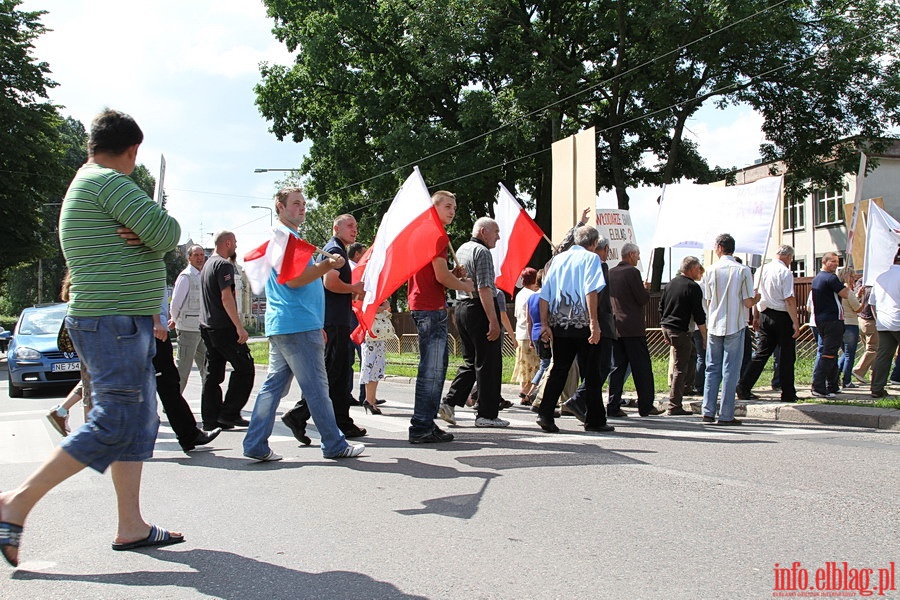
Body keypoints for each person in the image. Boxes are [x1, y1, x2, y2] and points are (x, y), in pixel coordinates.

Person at [0, 109, 182, 567]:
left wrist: (147, 237)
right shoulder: (108, 182)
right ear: (132, 150)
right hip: (112, 320)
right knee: (115, 421)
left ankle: (131, 526)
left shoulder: (86, 181)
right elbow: (168, 232)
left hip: (116, 319)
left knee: (138, 423)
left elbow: (156, 237)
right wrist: (152, 234)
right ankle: (16, 502)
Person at [243, 188, 364, 461]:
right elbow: (294, 279)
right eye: (296, 204)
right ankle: (334, 444)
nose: (302, 208)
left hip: (289, 322)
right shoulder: (284, 238)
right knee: (318, 388)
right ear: (280, 206)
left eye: (304, 204)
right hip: (297, 323)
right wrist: (328, 265)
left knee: (274, 387)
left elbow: (293, 279)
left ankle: (255, 443)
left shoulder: (285, 238)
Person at [281, 215, 368, 441]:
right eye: (350, 226)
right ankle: (299, 414)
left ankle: (341, 422)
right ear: (336, 228)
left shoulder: (337, 248)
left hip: (337, 321)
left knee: (338, 373)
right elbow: (330, 283)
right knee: (330, 374)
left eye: (355, 226)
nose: (354, 230)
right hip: (331, 322)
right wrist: (353, 287)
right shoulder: (334, 251)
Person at [406, 191, 474, 443]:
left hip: (422, 303)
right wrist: (466, 285)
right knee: (432, 371)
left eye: (454, 207)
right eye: (447, 206)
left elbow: (436, 273)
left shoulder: (422, 232)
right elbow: (441, 277)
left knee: (434, 368)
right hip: (430, 307)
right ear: (433, 207)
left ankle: (426, 423)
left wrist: (451, 273)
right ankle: (421, 426)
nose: (452, 211)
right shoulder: (437, 235)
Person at [535, 225, 612, 433]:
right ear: (594, 243)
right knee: (592, 372)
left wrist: (544, 324)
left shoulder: (557, 260)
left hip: (559, 323)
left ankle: (545, 413)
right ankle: (595, 420)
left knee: (559, 369)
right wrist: (594, 323)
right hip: (582, 323)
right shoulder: (592, 259)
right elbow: (590, 290)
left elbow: (544, 295)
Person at [438, 217, 509, 428]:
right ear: (483, 232)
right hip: (479, 308)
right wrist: (493, 321)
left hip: (461, 309)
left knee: (471, 361)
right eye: (495, 231)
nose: (498, 236)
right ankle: (487, 414)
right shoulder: (483, 252)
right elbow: (485, 288)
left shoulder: (462, 249)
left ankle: (449, 402)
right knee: (489, 363)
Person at [199, 231, 254, 430]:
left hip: (207, 326)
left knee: (213, 374)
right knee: (245, 367)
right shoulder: (223, 265)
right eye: (235, 243)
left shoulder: (206, 265)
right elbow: (226, 297)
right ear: (228, 243)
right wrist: (239, 327)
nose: (236, 247)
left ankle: (210, 419)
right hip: (223, 326)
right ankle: (229, 413)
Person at [700, 233, 757, 425]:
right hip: (735, 323)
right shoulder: (743, 270)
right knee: (730, 370)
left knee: (712, 368)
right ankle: (726, 414)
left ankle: (708, 411)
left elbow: (707, 300)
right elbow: (748, 302)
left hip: (715, 323)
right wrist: (757, 298)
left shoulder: (710, 270)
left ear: (718, 247)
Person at [735, 245, 800, 403]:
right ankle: (788, 393)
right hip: (782, 316)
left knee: (761, 353)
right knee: (786, 356)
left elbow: (756, 294)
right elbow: (789, 299)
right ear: (788, 257)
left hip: (764, 314)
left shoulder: (761, 270)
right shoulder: (785, 272)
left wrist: (756, 316)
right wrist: (795, 323)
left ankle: (744, 386)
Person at [606, 243, 662, 418]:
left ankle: (613, 405)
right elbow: (642, 298)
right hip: (633, 327)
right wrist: (645, 289)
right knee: (642, 368)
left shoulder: (610, 272)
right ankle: (645, 405)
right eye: (637, 255)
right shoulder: (633, 272)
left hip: (616, 326)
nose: (638, 258)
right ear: (630, 255)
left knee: (617, 368)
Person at [659, 255, 707, 415]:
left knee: (691, 354)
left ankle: (686, 387)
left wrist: (664, 328)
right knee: (680, 367)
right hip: (681, 330)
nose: (700, 272)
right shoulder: (693, 287)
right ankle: (674, 404)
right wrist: (705, 337)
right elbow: (699, 315)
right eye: (699, 269)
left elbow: (661, 307)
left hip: (667, 327)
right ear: (692, 269)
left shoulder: (671, 283)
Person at [810, 252, 851, 398]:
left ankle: (833, 385)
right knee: (828, 354)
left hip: (821, 320)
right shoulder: (831, 278)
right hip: (833, 320)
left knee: (831, 353)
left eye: (837, 261)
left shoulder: (817, 279)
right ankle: (818, 386)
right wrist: (846, 283)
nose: (836, 264)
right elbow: (845, 294)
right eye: (832, 261)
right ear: (824, 262)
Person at [169, 245, 208, 393]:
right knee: (183, 369)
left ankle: (210, 402)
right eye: (196, 255)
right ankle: (173, 403)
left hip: (202, 328)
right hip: (187, 329)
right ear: (189, 257)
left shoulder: (203, 275)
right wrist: (174, 318)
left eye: (201, 255)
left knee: (207, 368)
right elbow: (176, 302)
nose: (199, 258)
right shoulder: (186, 276)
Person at [869, 246, 900, 398]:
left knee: (883, 355)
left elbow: (872, 303)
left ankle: (876, 388)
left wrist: (878, 319)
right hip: (898, 320)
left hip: (883, 322)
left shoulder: (880, 277)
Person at [359, 301, 396, 414]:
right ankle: (369, 400)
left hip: (376, 336)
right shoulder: (365, 291)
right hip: (370, 335)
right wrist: (384, 306)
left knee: (377, 367)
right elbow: (369, 307)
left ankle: (371, 399)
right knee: (371, 367)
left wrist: (384, 305)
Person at [513, 268, 540, 404]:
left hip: (520, 332)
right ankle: (527, 393)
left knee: (524, 365)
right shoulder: (532, 295)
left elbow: (517, 314)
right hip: (529, 333)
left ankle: (524, 390)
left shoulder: (520, 294)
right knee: (533, 366)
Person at [836, 268, 862, 389]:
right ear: (847, 277)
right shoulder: (847, 291)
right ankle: (846, 381)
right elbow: (857, 308)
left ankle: (835, 376)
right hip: (850, 324)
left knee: (844, 353)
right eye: (852, 276)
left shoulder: (836, 290)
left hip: (839, 324)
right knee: (849, 355)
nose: (854, 279)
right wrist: (864, 301)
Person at [853, 285, 879, 383]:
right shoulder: (874, 288)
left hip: (861, 320)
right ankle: (858, 370)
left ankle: (873, 376)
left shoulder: (861, 284)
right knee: (873, 350)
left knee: (869, 350)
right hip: (871, 321)